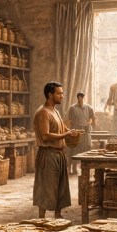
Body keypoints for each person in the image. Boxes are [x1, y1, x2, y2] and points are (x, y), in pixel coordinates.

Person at [32, 82, 78, 219]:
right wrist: (66, 135)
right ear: (50, 94)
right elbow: (45, 135)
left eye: (62, 93)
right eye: (59, 93)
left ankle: (58, 216)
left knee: (60, 186)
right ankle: (42, 218)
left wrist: (71, 132)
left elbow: (62, 129)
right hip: (48, 154)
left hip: (59, 154)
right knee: (46, 187)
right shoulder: (43, 113)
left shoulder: (55, 111)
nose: (62, 96)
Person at [66, 91, 95, 174]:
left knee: (86, 149)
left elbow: (92, 120)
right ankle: (72, 169)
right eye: (78, 98)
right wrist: (71, 130)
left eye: (81, 98)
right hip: (76, 132)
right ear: (77, 98)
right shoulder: (72, 108)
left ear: (83, 98)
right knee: (74, 150)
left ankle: (86, 169)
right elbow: (70, 121)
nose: (80, 100)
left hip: (86, 132)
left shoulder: (89, 108)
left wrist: (88, 124)